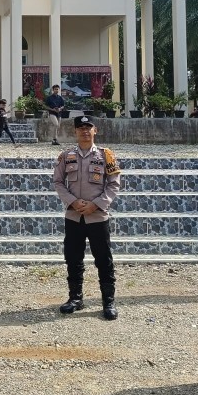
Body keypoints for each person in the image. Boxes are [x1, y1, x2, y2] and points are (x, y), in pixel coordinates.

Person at [53, 116, 121, 321]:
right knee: (73, 258)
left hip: (97, 217)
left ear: (95, 131)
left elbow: (114, 184)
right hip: (74, 216)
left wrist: (96, 204)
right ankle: (75, 298)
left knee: (104, 260)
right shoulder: (66, 156)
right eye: (80, 128)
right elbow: (58, 182)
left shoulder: (106, 156)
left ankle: (108, 301)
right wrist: (72, 201)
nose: (84, 131)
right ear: (75, 132)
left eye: (88, 128)